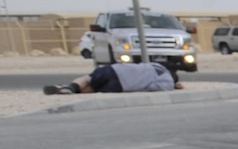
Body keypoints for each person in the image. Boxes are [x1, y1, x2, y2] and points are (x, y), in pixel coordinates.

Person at [44, 60, 181, 95]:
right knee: (94, 89)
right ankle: (73, 91)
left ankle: (71, 87)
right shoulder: (168, 81)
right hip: (122, 85)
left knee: (88, 78)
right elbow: (153, 88)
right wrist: (174, 87)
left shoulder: (156, 65)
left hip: (115, 69)